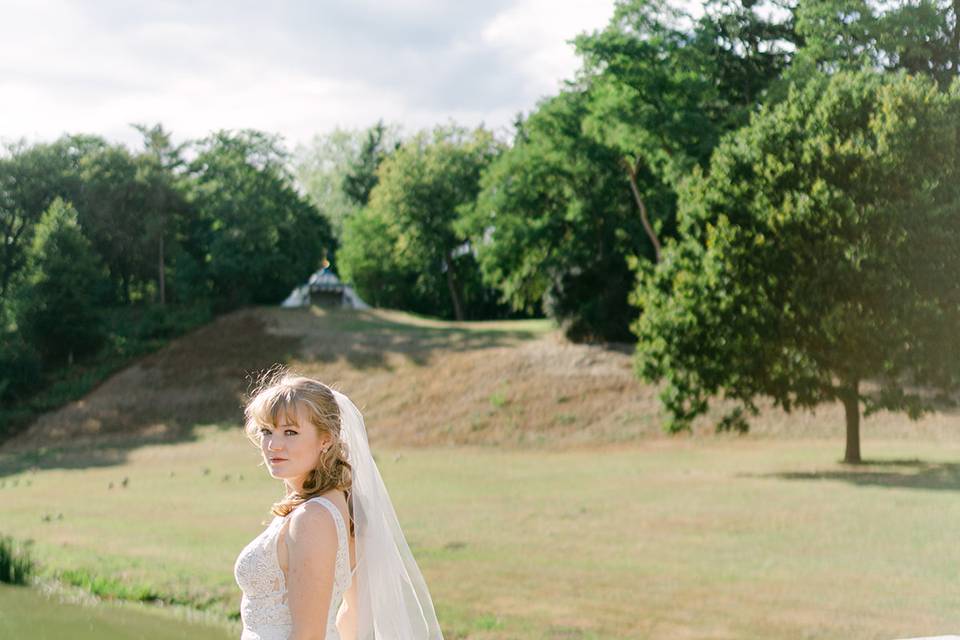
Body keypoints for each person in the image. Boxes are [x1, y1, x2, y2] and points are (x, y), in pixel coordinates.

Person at [234, 371, 444, 640]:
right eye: (266, 431)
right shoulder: (336, 504)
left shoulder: (312, 519)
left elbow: (308, 637)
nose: (273, 445)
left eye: (290, 432)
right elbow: (354, 614)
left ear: (326, 439)